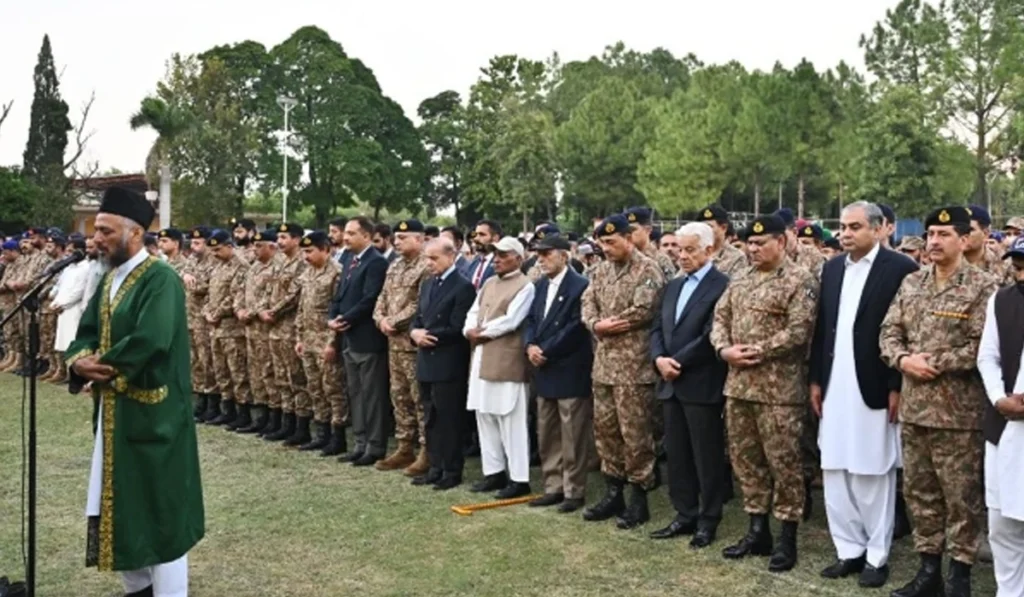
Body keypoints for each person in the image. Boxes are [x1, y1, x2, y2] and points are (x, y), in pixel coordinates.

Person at [66, 186, 203, 596]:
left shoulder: (161, 279)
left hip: (155, 419)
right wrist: (76, 361)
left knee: (162, 515)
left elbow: (152, 340)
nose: (96, 238)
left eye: (106, 230)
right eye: (95, 230)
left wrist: (100, 369)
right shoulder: (110, 281)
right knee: (124, 506)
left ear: (136, 233)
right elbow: (85, 332)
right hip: (115, 417)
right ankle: (138, 589)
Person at [880, 206, 999, 597]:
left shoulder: (984, 287)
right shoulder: (912, 283)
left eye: (943, 234)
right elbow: (889, 332)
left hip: (957, 414)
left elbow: (982, 348)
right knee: (919, 492)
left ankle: (959, 575)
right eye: (930, 233)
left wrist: (933, 361)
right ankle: (928, 570)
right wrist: (902, 359)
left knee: (961, 497)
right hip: (916, 410)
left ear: (964, 240)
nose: (933, 241)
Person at [809, 202, 918, 588]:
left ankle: (876, 555)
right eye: (842, 226)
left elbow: (905, 330)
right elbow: (823, 329)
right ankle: (848, 549)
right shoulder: (833, 267)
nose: (845, 233)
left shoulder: (901, 269)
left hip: (874, 384)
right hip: (835, 383)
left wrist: (895, 385)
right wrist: (817, 380)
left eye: (855, 226)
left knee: (873, 470)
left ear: (878, 229)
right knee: (835, 468)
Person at [711, 214, 818, 573]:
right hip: (739, 387)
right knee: (746, 461)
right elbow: (720, 320)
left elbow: (798, 331)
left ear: (782, 243)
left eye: (761, 243)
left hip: (778, 391)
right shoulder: (740, 279)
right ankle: (758, 531)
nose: (753, 249)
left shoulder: (800, 280)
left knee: (784, 465)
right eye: (749, 244)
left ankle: (787, 538)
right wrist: (724, 349)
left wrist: (756, 350)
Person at [581, 214, 666, 529]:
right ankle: (613, 491)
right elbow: (587, 304)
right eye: (602, 243)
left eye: (612, 242)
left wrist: (607, 324)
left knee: (636, 435)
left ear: (630, 239)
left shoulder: (648, 269)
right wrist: (594, 323)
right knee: (606, 432)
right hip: (603, 366)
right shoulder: (600, 271)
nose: (605, 248)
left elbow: (644, 310)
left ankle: (638, 498)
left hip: (634, 367)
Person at [648, 222, 730, 549]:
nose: (681, 256)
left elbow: (712, 334)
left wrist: (675, 362)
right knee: (678, 454)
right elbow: (656, 328)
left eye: (689, 249)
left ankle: (708, 519)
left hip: (699, 381)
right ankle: (685, 513)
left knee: (705, 455)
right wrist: (658, 359)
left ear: (708, 250)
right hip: (669, 382)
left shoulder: (722, 285)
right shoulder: (673, 286)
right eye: (679, 249)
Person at [524, 234, 594, 513]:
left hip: (568, 367)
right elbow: (530, 319)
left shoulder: (580, 285)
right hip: (542, 367)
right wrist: (530, 345)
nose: (540, 258)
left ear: (564, 256)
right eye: (538, 253)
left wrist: (546, 350)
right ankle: (553, 486)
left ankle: (573, 490)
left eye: (546, 253)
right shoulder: (539, 285)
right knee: (547, 431)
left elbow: (576, 327)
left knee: (572, 433)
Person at [464, 236, 536, 499]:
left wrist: (481, 332)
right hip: (482, 357)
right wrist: (468, 330)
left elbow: (512, 320)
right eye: (495, 255)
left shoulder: (525, 286)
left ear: (518, 258)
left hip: (507, 359)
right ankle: (493, 473)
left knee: (511, 420)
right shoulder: (489, 283)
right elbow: (473, 312)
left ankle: (519, 479)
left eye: (504, 255)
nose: (497, 259)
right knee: (485, 415)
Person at [977, 235, 1024, 597]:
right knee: (1002, 524)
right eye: (1019, 265)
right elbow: (987, 357)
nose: (1022, 274)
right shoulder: (1002, 300)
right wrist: (998, 398)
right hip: (1004, 426)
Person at [410, 237, 476, 490]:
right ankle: (435, 466)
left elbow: (458, 326)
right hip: (426, 360)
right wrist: (415, 333)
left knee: (449, 419)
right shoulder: (428, 284)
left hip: (448, 361)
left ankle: (451, 469)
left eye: (434, 258)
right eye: (427, 258)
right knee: (431, 418)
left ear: (451, 256)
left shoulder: (462, 287)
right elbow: (418, 317)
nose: (429, 263)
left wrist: (429, 335)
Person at [372, 219, 431, 475]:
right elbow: (382, 298)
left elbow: (419, 303)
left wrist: (393, 321)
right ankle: (404, 446)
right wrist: (381, 319)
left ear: (419, 240)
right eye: (396, 237)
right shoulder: (394, 265)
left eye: (404, 237)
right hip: (392, 344)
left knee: (419, 399)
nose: (397, 241)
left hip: (412, 344)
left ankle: (425, 450)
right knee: (399, 397)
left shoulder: (426, 265)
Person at [329, 216, 389, 466]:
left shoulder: (375, 262)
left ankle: (375, 446)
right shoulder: (351, 261)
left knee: (372, 395)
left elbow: (370, 298)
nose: (345, 237)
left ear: (366, 236)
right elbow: (340, 295)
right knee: (355, 393)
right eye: (346, 233)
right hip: (349, 338)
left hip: (366, 338)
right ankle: (360, 442)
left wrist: (346, 318)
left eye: (352, 233)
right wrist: (333, 316)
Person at [295, 231, 346, 453]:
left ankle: (338, 436)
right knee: (314, 388)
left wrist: (332, 343)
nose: (305, 256)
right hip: (308, 339)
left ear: (325, 249)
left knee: (333, 389)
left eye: (310, 251)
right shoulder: (307, 272)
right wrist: (299, 337)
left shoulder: (337, 273)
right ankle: (321, 432)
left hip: (326, 340)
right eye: (303, 251)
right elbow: (302, 307)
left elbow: (338, 310)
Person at [262, 223, 310, 442]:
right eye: (278, 237)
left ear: (297, 239)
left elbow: (295, 293)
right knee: (280, 377)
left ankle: (301, 427)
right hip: (273, 328)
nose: (279, 241)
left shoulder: (303, 262)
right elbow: (268, 289)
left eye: (284, 237)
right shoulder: (279, 261)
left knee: (296, 379)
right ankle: (285, 421)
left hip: (290, 327)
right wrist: (263, 309)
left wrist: (274, 310)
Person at [202, 229, 251, 429]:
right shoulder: (216, 266)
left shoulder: (241, 267)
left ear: (230, 247)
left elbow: (236, 296)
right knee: (221, 371)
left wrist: (217, 313)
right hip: (216, 328)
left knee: (237, 372)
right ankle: (227, 410)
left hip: (232, 329)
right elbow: (208, 293)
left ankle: (243, 413)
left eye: (218, 249)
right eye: (212, 250)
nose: (214, 254)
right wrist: (207, 311)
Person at [235, 228, 279, 435]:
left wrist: (250, 311)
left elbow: (271, 298)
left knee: (270, 373)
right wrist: (239, 309)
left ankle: (275, 418)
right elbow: (241, 292)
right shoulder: (253, 268)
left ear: (272, 247)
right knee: (256, 374)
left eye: (259, 246)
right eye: (254, 245)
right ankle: (261, 417)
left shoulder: (276, 269)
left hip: (266, 328)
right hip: (250, 329)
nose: (255, 249)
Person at [50, 236, 90, 384]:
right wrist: (54, 301)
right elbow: (60, 286)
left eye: (72, 251)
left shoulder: (86, 268)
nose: (69, 254)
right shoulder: (68, 267)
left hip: (73, 309)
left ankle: (76, 375)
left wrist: (62, 304)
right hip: (61, 309)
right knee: (62, 344)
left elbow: (79, 291)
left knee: (72, 342)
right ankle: (66, 373)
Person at [695, 205, 747, 279]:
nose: (704, 231)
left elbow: (737, 286)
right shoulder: (694, 254)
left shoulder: (736, 257)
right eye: (701, 227)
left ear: (723, 228)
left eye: (709, 227)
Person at [468, 220, 500, 291]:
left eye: (482, 235)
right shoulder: (473, 264)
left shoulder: (501, 263)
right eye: (476, 234)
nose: (476, 238)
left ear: (495, 238)